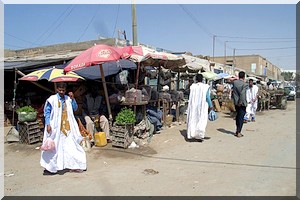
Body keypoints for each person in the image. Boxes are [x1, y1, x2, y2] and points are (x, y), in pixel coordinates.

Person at [40, 82, 87, 174]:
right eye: (60, 90)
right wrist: (48, 124)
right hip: (55, 129)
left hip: (68, 128)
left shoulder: (68, 99)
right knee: (54, 148)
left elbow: (75, 108)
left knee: (72, 146)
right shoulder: (52, 99)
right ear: (57, 90)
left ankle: (75, 165)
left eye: (63, 90)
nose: (61, 92)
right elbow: (47, 112)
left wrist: (73, 99)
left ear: (65, 90)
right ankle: (50, 167)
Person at [186, 74, 213, 142]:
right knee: (201, 120)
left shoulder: (193, 86)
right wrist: (211, 106)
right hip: (202, 106)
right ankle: (199, 135)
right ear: (202, 79)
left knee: (193, 119)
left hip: (193, 106)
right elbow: (207, 97)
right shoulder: (205, 87)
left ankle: (192, 134)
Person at [232, 71, 247, 138]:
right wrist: (240, 102)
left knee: (238, 116)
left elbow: (234, 93)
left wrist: (236, 101)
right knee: (241, 117)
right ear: (244, 77)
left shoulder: (234, 83)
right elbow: (242, 94)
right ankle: (239, 132)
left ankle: (237, 130)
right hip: (242, 103)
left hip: (235, 102)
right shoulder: (244, 84)